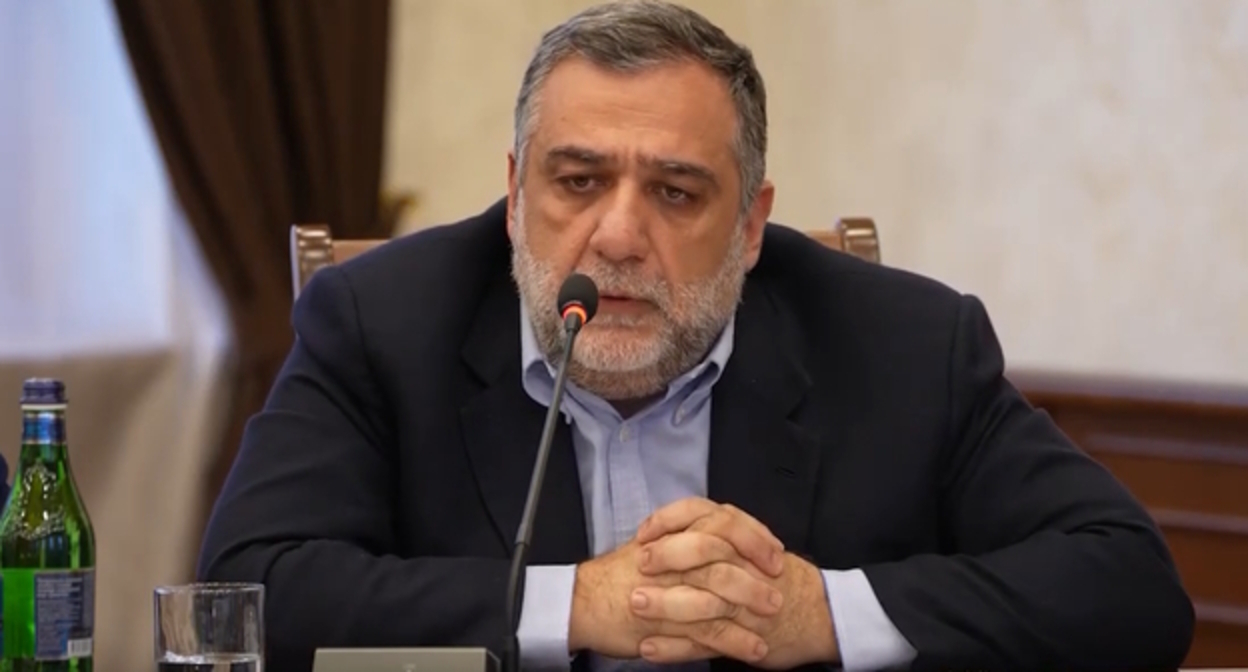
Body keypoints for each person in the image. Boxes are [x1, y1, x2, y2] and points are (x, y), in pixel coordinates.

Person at [198, 1, 1194, 670]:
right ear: (514, 194)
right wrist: (577, 603)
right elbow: (242, 595)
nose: (618, 236)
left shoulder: (906, 344)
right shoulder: (381, 322)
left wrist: (818, 613)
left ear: (752, 226)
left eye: (676, 192)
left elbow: (1130, 588)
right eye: (578, 181)